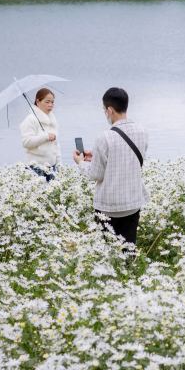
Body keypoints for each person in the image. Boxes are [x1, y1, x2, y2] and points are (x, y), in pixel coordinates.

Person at [73, 87, 150, 251]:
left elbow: (95, 174)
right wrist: (95, 156)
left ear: (109, 110)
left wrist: (81, 162)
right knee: (129, 249)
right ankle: (131, 274)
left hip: (109, 206)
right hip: (133, 202)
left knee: (106, 253)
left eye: (104, 110)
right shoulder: (142, 131)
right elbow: (130, 159)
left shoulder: (105, 137)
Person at [20, 87, 60, 180]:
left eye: (52, 102)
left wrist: (59, 164)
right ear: (38, 102)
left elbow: (56, 145)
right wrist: (45, 137)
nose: (50, 105)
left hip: (53, 167)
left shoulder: (52, 120)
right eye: (47, 102)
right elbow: (26, 142)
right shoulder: (30, 120)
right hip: (36, 168)